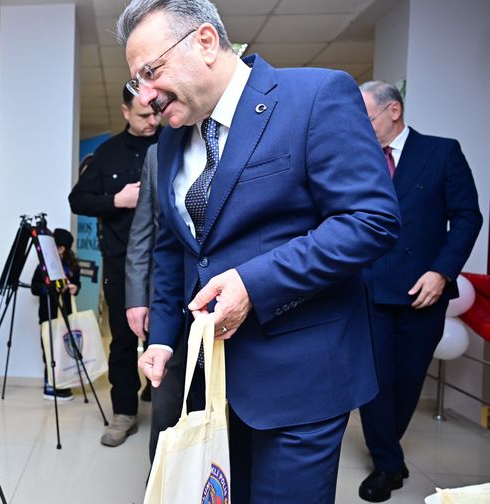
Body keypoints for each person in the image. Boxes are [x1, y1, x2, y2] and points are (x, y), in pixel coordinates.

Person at [117, 1, 402, 501]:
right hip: (210, 382)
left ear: (206, 42)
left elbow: (370, 220)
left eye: (151, 72)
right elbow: (174, 249)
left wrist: (254, 284)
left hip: (300, 380)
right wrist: (162, 338)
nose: (145, 96)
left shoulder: (314, 96)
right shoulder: (170, 143)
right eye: (137, 81)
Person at [356, 81, 482, 502]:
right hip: (369, 287)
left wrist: (442, 272)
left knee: (408, 379)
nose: (361, 126)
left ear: (393, 111)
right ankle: (387, 464)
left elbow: (466, 217)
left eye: (367, 117)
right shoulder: (359, 157)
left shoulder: (441, 152)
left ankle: (388, 453)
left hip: (423, 290)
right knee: (374, 381)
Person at [68, 86, 161, 447]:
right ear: (125, 112)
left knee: (165, 335)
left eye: (156, 112)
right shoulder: (107, 153)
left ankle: (164, 405)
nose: (152, 121)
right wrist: (116, 200)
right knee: (123, 339)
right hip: (121, 262)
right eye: (143, 115)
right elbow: (77, 200)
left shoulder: (171, 143)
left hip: (165, 261)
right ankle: (124, 412)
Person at [124, 143, 185, 462]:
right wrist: (137, 297)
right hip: (167, 299)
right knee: (167, 403)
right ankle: (161, 481)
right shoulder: (157, 154)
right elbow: (143, 229)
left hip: (228, 298)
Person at [30, 228, 80, 401]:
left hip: (66, 317)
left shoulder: (73, 267)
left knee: (63, 350)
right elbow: (34, 288)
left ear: (61, 249)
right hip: (47, 316)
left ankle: (62, 383)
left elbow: (77, 285)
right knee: (49, 350)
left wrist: (73, 287)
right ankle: (50, 385)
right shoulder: (42, 267)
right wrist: (50, 288)